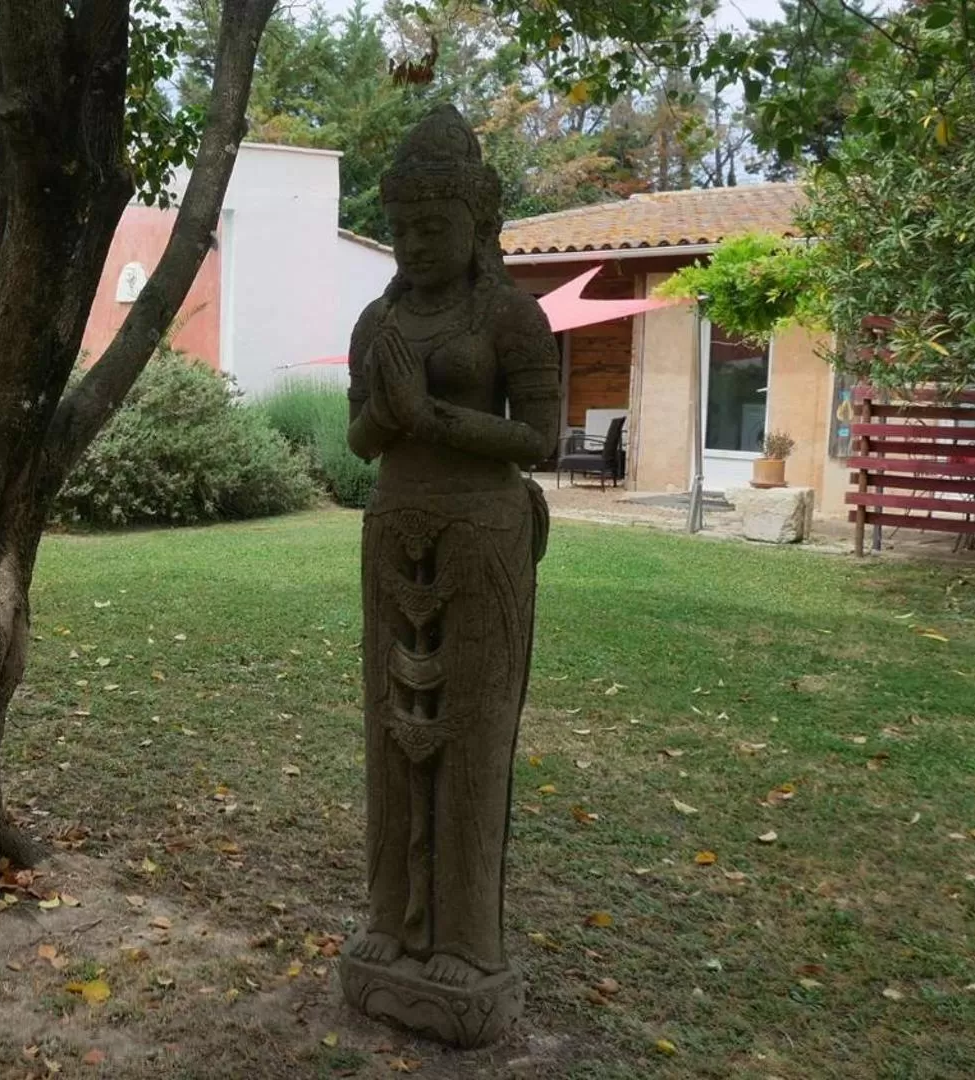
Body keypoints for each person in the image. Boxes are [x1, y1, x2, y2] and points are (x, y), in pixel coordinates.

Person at [343, 104, 560, 996]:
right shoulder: (378, 322)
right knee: (391, 733)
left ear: (478, 223)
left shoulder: (511, 315)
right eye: (401, 228)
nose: (414, 244)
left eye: (433, 227)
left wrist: (428, 415)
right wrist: (389, 411)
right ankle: (388, 919)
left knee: (469, 734)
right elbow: (361, 440)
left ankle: (466, 942)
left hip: (482, 534)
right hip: (395, 528)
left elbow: (540, 439)